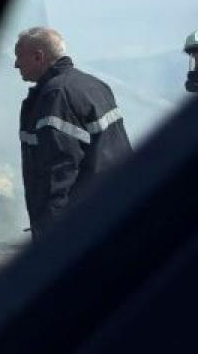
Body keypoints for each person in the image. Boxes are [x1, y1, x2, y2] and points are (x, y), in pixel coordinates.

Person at [14, 26, 132, 235]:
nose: (16, 64)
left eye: (19, 56)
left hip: (82, 222)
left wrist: (52, 232)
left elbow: (58, 168)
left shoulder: (57, 95)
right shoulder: (95, 85)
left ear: (39, 56)